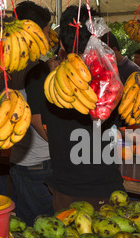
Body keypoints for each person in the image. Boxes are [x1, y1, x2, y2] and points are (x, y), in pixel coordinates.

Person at [41, 5, 125, 211]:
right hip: (107, 187)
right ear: (99, 36)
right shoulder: (109, 78)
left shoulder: (52, 82)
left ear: (61, 43)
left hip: (65, 189)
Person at [6, 1, 54, 225]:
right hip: (39, 163)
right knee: (45, 228)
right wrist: (59, 144)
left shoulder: (11, 64)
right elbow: (37, 119)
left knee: (28, 227)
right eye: (46, 30)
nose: (48, 36)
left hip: (22, 160)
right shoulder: (35, 68)